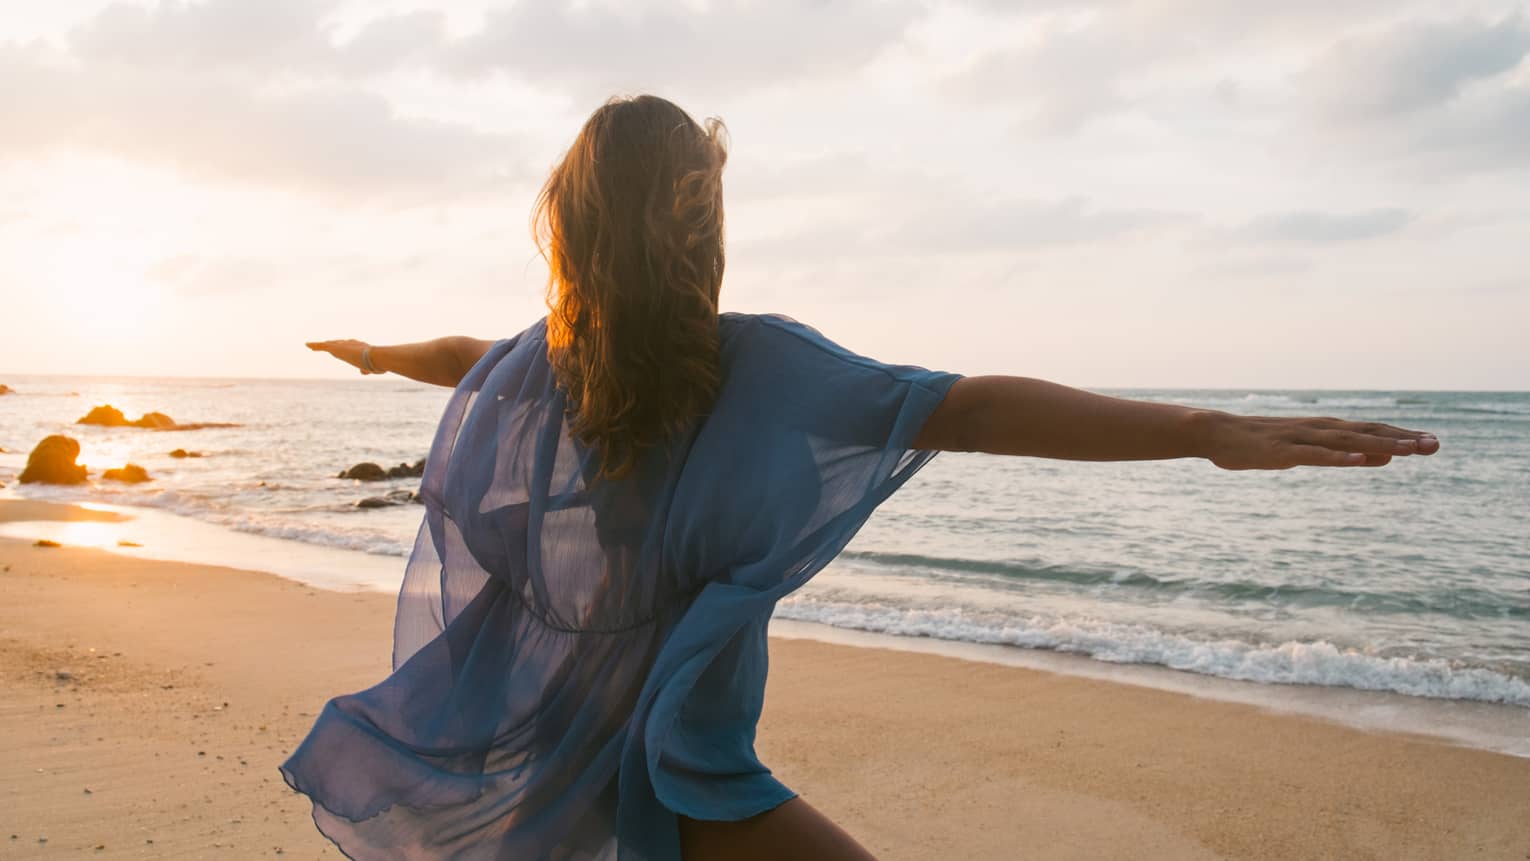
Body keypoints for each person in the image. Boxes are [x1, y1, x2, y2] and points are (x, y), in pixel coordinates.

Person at [295, 94, 1439, 861]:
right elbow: (970, 406)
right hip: (678, 764)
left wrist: (385, 354)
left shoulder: (552, 366)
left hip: (554, 751)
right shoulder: (755, 368)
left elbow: (466, 362)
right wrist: (1201, 428)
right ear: (699, 224)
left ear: (571, 227)